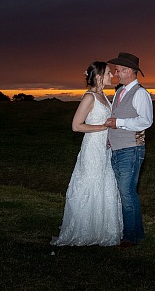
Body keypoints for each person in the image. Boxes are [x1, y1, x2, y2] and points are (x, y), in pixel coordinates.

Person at [51, 62, 123, 246]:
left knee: (104, 182)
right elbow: (76, 125)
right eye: (108, 73)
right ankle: (84, 229)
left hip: (104, 148)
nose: (111, 76)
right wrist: (102, 127)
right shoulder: (89, 97)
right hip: (92, 147)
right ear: (98, 76)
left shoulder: (103, 95)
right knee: (90, 182)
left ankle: (102, 229)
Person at [104, 52, 153, 249]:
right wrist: (109, 138)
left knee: (126, 193)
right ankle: (136, 233)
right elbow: (115, 116)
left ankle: (130, 237)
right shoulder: (119, 92)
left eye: (118, 70)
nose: (116, 73)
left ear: (129, 71)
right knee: (127, 193)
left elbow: (146, 121)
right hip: (117, 148)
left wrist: (119, 123)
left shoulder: (141, 93)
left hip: (131, 150)